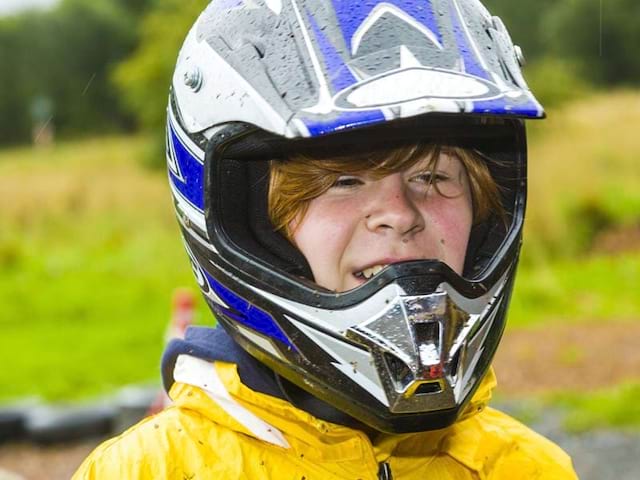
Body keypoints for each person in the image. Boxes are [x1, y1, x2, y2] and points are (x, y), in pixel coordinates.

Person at [74, 1, 578, 478]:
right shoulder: (144, 471)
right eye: (344, 181)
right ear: (257, 224)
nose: (400, 215)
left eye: (432, 177)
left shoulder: (526, 468)